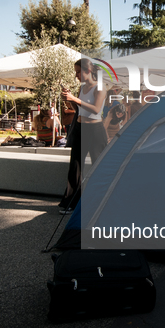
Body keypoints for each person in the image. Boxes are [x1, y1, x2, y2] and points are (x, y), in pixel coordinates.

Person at [58, 58, 108, 214]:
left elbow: (95, 109)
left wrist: (74, 99)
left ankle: (101, 201)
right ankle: (71, 202)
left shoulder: (100, 87)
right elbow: (78, 108)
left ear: (88, 71)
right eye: (76, 72)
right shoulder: (82, 88)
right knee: (75, 166)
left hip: (95, 130)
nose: (76, 75)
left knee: (97, 165)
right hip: (80, 128)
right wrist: (69, 100)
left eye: (78, 72)